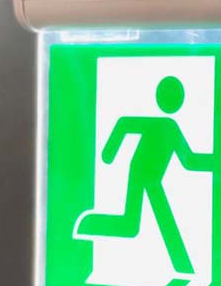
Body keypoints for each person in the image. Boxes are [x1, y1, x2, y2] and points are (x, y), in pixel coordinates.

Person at [76, 75, 209, 274]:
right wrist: (109, 153)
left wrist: (218, 162)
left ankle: (183, 267)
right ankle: (88, 226)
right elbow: (124, 124)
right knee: (133, 224)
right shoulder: (165, 126)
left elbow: (189, 160)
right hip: (140, 174)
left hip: (152, 178)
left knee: (131, 224)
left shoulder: (170, 128)